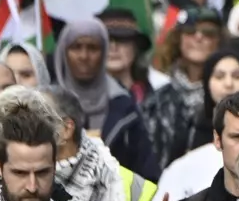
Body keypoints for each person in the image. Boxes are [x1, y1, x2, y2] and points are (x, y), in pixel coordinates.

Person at [52, 18, 159, 181]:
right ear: (63, 52)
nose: (84, 56)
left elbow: (145, 170)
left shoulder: (124, 107)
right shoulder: (45, 105)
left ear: (104, 53)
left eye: (93, 48)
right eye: (76, 47)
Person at [140, 5, 224, 166]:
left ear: (219, 40)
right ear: (179, 39)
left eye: (208, 32)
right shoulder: (157, 97)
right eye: (190, 31)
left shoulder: (231, 95)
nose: (198, 37)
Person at [41, 86, 145, 201]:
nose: (27, 127)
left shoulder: (124, 183)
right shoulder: (21, 176)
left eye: (38, 119)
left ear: (66, 129)